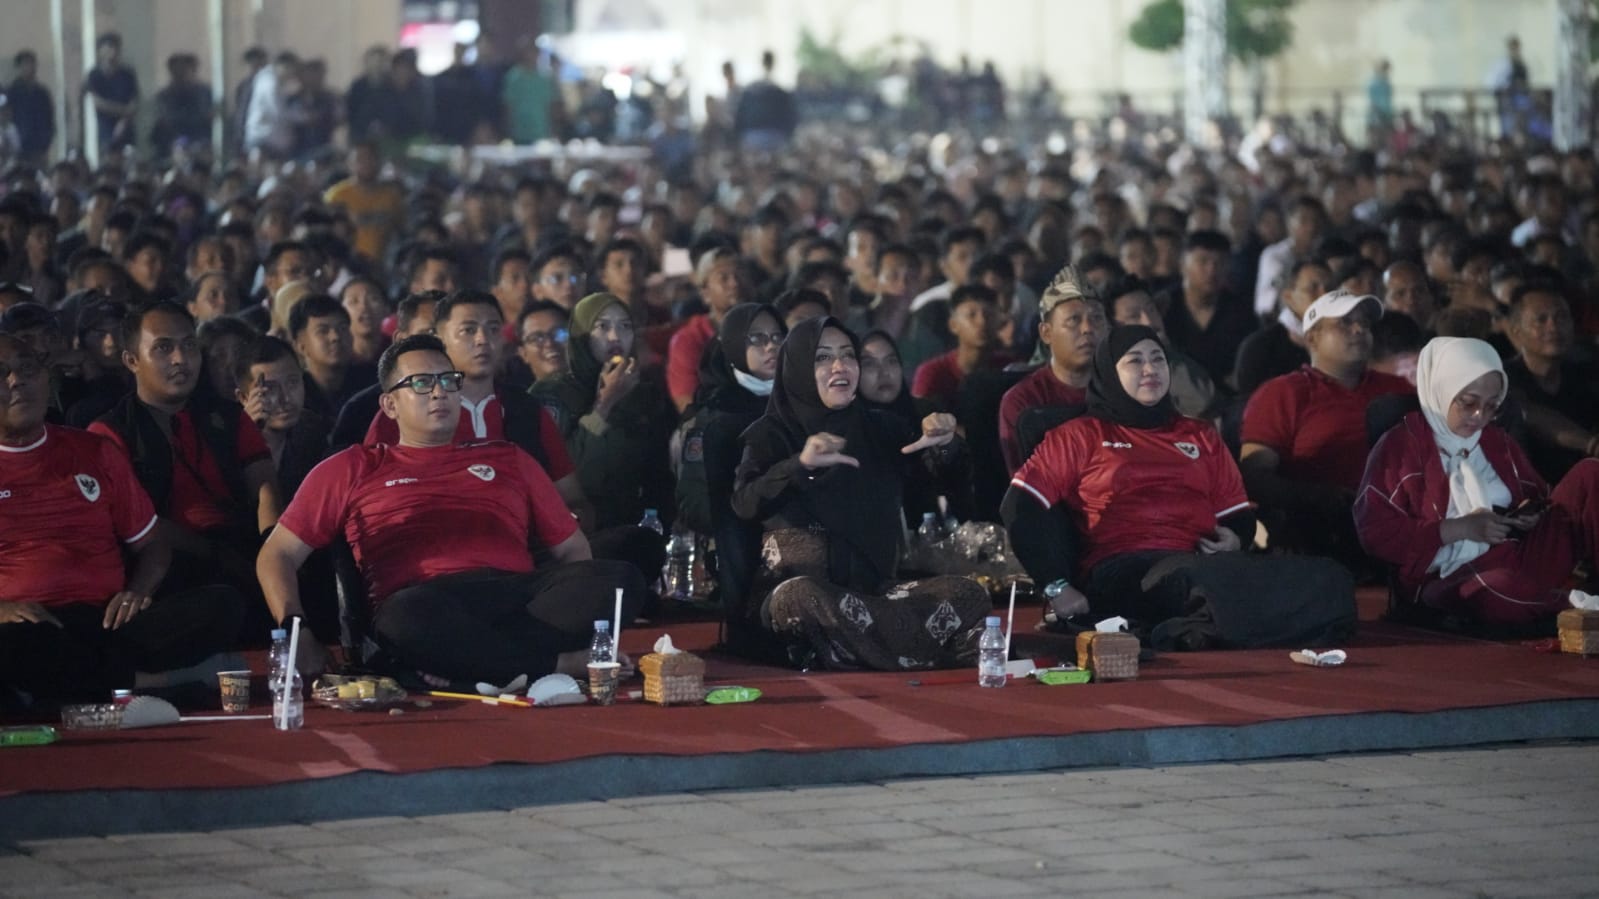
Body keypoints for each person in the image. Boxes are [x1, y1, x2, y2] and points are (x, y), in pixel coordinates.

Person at [257, 334, 646, 683]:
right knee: (405, 621)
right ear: (389, 405)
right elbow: (277, 554)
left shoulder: (508, 457)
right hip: (426, 601)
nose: (440, 393)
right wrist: (297, 633)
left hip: (517, 598)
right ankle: (556, 666)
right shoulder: (352, 467)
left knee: (618, 579)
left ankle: (463, 663)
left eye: (448, 381)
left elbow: (573, 550)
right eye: (421, 383)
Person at [731, 316, 989, 669]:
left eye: (848, 355)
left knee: (966, 594)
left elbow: (945, 485)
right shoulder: (770, 434)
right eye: (822, 358)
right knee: (801, 597)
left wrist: (945, 447)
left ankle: (852, 652)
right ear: (799, 368)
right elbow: (744, 503)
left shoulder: (882, 429)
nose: (839, 366)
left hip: (875, 593)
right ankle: (914, 651)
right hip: (801, 592)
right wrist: (800, 465)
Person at [0, 335, 244, 703]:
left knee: (223, 605)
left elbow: (153, 543)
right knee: (19, 644)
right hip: (28, 623)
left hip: (108, 620)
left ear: (46, 379)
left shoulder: (94, 450)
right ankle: (155, 684)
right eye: (1, 373)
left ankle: (53, 688)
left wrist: (137, 592)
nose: (17, 381)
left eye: (27, 369)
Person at [1003, 325, 1256, 629]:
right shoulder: (1080, 435)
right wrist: (1056, 587)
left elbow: (1238, 514)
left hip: (1203, 562)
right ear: (1110, 371)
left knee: (1312, 579)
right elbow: (1019, 506)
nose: (1150, 369)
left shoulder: (1200, 435)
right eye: (1135, 361)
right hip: (1124, 570)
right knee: (1208, 587)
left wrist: (1236, 539)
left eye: (1158, 359)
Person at [1356, 336, 1599, 630]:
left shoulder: (1497, 441)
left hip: (1518, 556)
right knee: (1496, 588)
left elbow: (1540, 498)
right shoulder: (1401, 446)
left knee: (1590, 473)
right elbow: (1375, 532)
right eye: (1469, 403)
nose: (1479, 416)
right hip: (1450, 577)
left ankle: (1563, 603)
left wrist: (1528, 514)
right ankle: (1574, 605)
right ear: (1442, 388)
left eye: (1492, 406)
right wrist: (1459, 529)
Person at [89, 303, 282, 605]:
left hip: (241, 543)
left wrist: (272, 548)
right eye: (164, 348)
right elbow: (139, 524)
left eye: (189, 345)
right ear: (131, 360)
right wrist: (216, 555)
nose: (181, 359)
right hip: (167, 559)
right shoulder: (110, 433)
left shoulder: (228, 416)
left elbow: (265, 489)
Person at [1240, 290, 1412, 562]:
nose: (1358, 329)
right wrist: (1316, 495)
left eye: (1364, 323)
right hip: (1321, 528)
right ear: (1312, 338)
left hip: (1400, 517)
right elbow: (1254, 475)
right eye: (1344, 323)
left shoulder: (1396, 388)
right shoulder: (1283, 393)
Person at [673, 305, 785, 621]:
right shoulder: (711, 416)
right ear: (733, 346)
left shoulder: (797, 404)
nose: (771, 346)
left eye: (778, 336)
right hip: (735, 543)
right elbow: (693, 503)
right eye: (757, 339)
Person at [532, 292, 675, 531]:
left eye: (625, 326)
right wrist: (604, 404)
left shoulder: (644, 394)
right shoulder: (553, 394)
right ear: (581, 335)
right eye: (602, 326)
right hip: (571, 532)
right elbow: (568, 474)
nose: (615, 336)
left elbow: (660, 476)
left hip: (634, 529)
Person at [998, 268, 1109, 473]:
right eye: (1074, 320)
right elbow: (1025, 482)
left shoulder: (1124, 388)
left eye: (1096, 318)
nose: (1087, 329)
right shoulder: (1023, 400)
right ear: (1046, 333)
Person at [1501, 283, 1599, 483]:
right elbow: (1526, 413)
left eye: (1562, 317)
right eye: (1541, 320)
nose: (1553, 327)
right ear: (1517, 331)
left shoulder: (1586, 374)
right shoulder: (1503, 377)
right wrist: (1591, 444)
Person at [331, 290, 439, 450]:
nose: (441, 341)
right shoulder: (363, 409)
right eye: (429, 333)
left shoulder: (481, 393)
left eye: (446, 332)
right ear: (400, 340)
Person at [1107, 278, 1219, 420]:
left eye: (1151, 310)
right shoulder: (1113, 382)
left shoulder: (1181, 354)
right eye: (1134, 316)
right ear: (1114, 329)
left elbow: (1202, 401)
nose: (1149, 321)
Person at [1161, 230, 1258, 388]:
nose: (1211, 270)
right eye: (1202, 261)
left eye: (1220, 262)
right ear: (1183, 265)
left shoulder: (1242, 310)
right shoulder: (1163, 307)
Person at [1233, 259, 1331, 398]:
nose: (1324, 296)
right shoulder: (1259, 348)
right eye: (1313, 289)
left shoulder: (1346, 342)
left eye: (1330, 289)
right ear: (1288, 297)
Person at [668, 247, 747, 412]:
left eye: (739, 275)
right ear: (705, 293)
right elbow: (688, 406)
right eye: (723, 278)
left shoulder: (766, 328)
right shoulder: (688, 340)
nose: (735, 283)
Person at [910, 284, 1011, 411]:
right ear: (953, 325)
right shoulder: (932, 373)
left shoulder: (1009, 368)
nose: (982, 322)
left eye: (989, 314)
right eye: (971, 315)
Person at [287, 294, 375, 421]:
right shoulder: (293, 395)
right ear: (300, 346)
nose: (335, 337)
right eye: (322, 331)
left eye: (342, 328)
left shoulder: (372, 382)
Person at [324, 142, 406, 264]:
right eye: (360, 159)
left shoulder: (393, 196)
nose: (366, 163)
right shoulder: (336, 196)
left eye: (370, 158)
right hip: (348, 264)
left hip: (383, 266)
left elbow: (402, 230)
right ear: (349, 164)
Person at [84, 33, 139, 152]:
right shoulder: (94, 75)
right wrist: (123, 111)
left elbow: (134, 101)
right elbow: (98, 103)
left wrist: (124, 121)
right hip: (105, 128)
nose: (112, 51)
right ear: (100, 51)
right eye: (108, 47)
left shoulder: (127, 74)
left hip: (127, 129)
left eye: (115, 47)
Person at [6, 51, 55, 164]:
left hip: (39, 145)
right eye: (25, 64)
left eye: (32, 63)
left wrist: (46, 140)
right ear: (18, 67)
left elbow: (49, 118)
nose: (29, 67)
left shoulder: (42, 92)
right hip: (17, 145)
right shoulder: (12, 92)